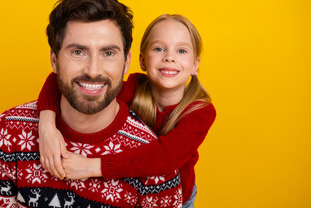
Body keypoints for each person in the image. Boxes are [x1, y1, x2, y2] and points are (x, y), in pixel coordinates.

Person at [0, 0, 182, 208]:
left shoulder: (154, 166)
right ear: (54, 60)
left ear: (127, 61)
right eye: (78, 52)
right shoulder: (8, 133)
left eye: (108, 53)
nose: (93, 71)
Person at [37, 14, 216, 207]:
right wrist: (46, 126)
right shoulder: (132, 88)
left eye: (181, 50)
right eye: (158, 48)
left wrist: (91, 166)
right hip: (128, 187)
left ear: (196, 64)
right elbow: (63, 80)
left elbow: (166, 157)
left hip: (178, 196)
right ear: (142, 60)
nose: (169, 58)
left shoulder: (200, 111)